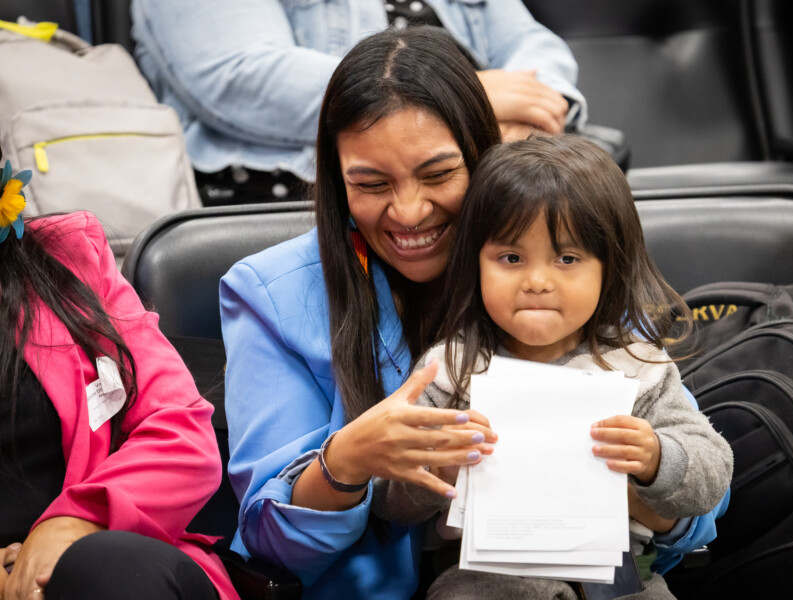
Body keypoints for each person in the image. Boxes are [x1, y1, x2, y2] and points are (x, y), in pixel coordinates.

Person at [220, 27, 725, 600]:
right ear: (338, 184)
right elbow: (269, 547)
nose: (409, 211)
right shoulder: (271, 294)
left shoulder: (565, 263)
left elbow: (699, 510)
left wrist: (624, 478)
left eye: (438, 175)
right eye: (372, 184)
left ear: (486, 159)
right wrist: (350, 460)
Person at [371, 134, 734, 599]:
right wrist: (434, 471)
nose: (537, 281)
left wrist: (657, 459)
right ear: (475, 263)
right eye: (511, 258)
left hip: (620, 578)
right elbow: (386, 498)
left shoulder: (637, 365)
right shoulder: (450, 369)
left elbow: (712, 472)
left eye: (567, 258)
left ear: (610, 266)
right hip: (485, 576)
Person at [0, 160, 238, 600]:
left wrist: (74, 521)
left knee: (105, 568)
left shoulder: (67, 260)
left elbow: (182, 434)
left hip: (99, 561)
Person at [130, 0, 587, 203]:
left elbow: (534, 44)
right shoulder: (469, 95)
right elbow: (239, 75)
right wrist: (466, 96)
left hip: (484, 177)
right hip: (302, 198)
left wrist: (526, 124)